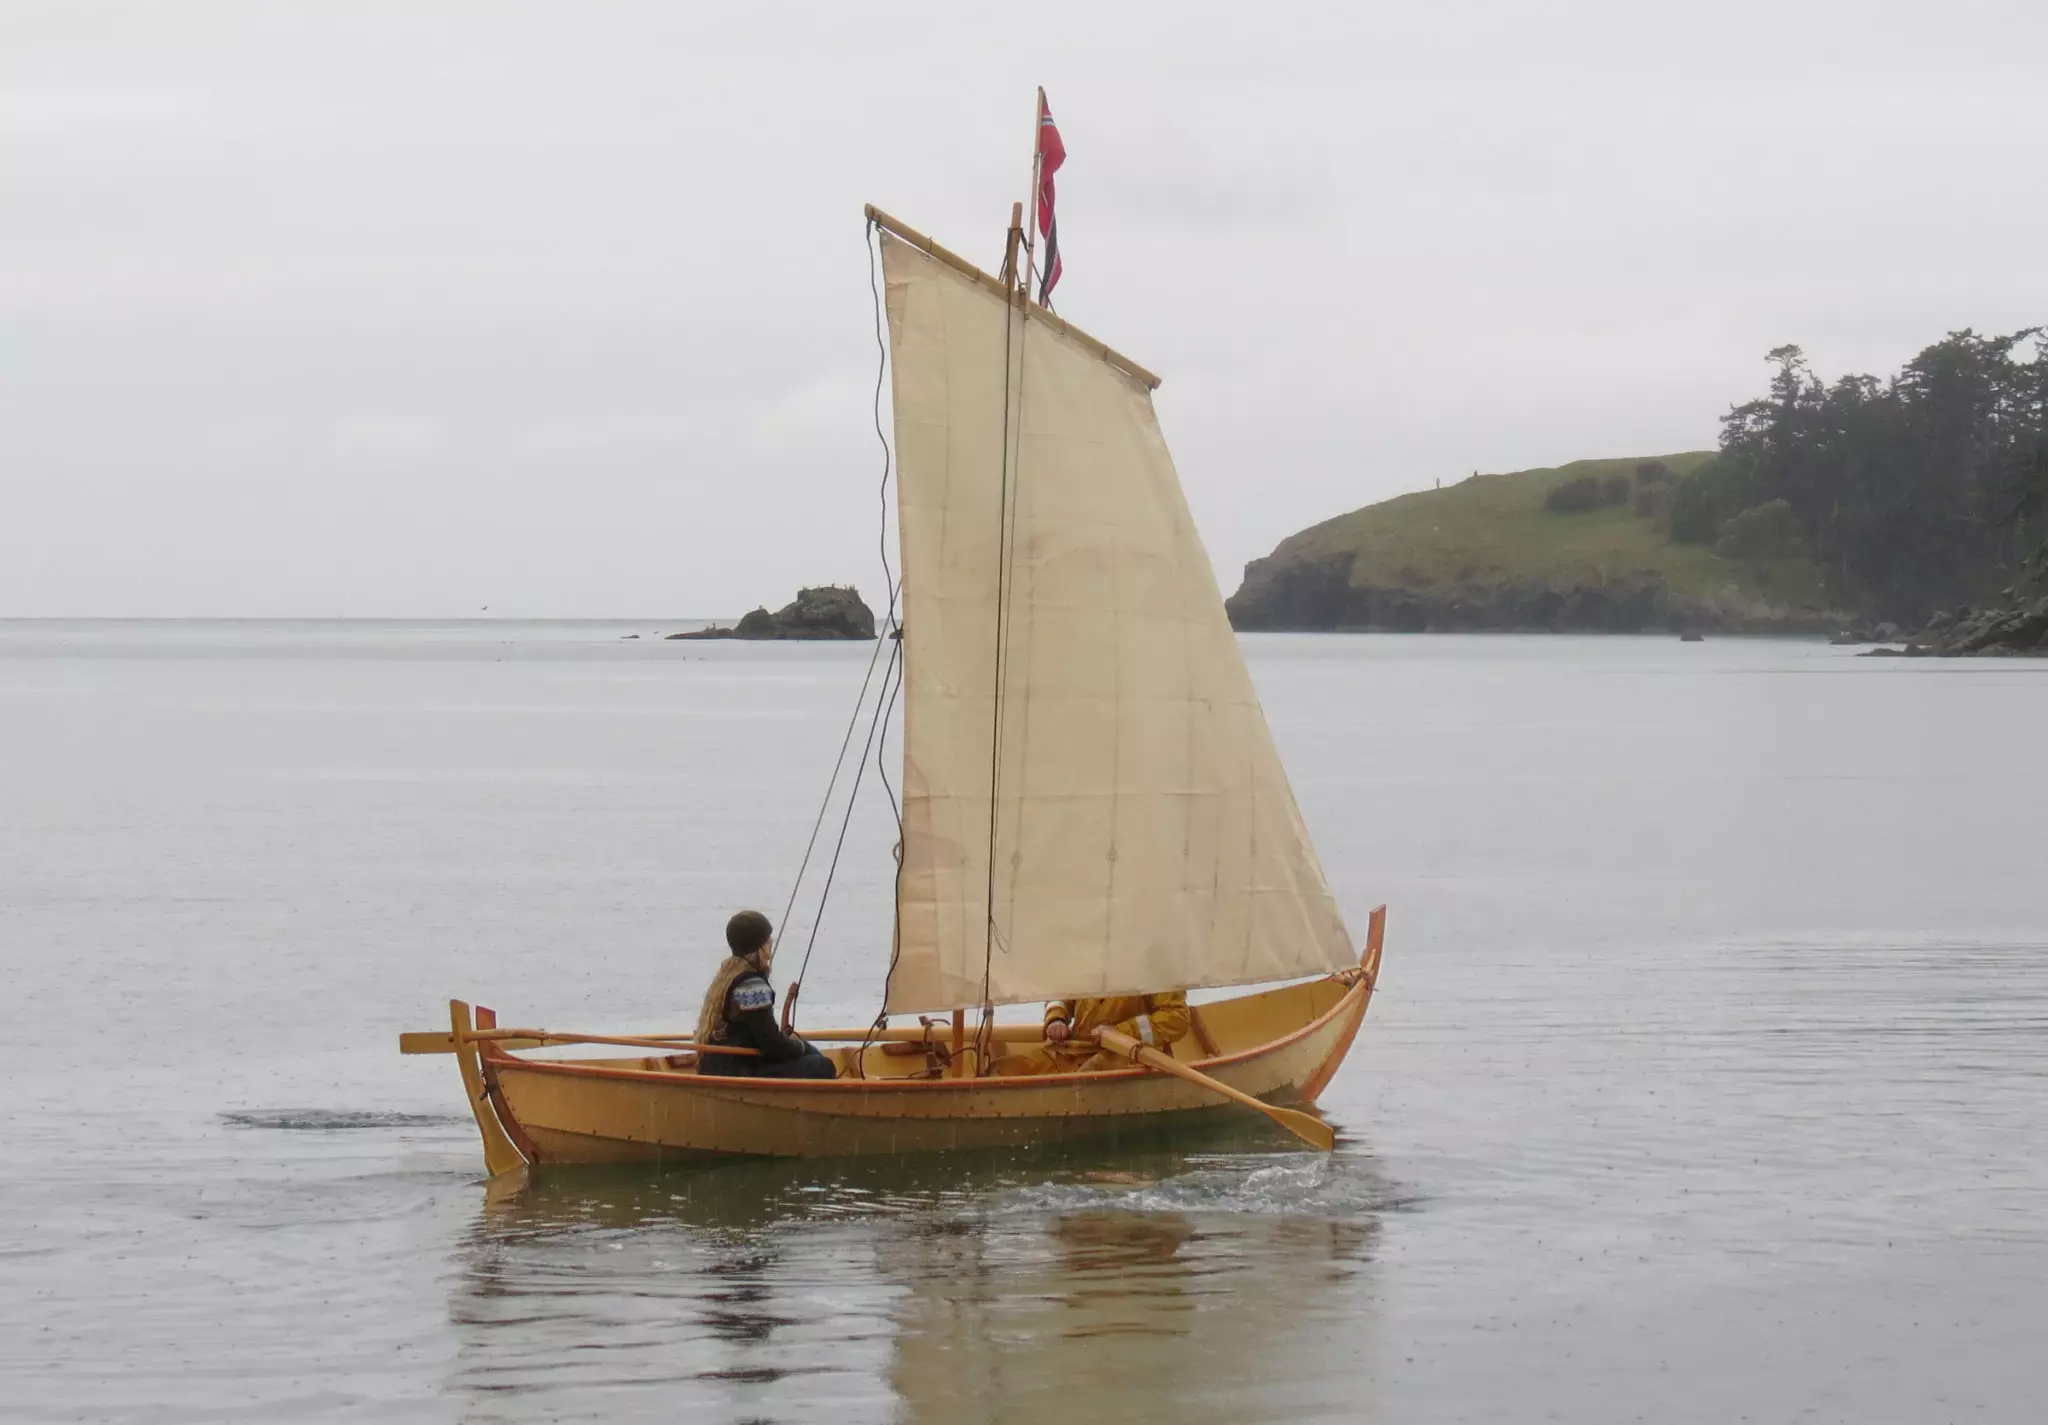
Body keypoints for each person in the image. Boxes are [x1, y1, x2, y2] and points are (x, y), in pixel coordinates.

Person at [694, 910, 836, 1079]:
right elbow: (770, 1042)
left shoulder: (727, 974)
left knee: (807, 1051)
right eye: (768, 938)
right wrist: (799, 1047)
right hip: (740, 1070)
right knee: (822, 1065)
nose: (771, 941)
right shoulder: (752, 985)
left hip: (718, 1065)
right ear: (760, 945)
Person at [992, 991, 1192, 1075]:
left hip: (1128, 1055)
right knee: (1002, 1069)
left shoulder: (1152, 959)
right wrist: (1056, 1018)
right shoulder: (1089, 953)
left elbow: (1177, 1018)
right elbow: (1062, 995)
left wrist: (1121, 1032)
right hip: (1072, 1050)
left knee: (1086, 1078)